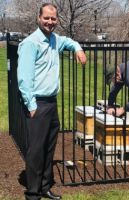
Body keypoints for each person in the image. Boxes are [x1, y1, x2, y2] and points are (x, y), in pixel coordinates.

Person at [17, 3, 86, 200]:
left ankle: (45, 187)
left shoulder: (55, 39)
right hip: (37, 103)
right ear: (38, 18)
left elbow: (70, 42)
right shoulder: (31, 43)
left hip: (51, 102)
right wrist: (31, 106)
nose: (50, 22)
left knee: (49, 147)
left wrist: (78, 49)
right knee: (36, 151)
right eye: (46, 18)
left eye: (53, 19)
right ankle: (33, 193)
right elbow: (24, 78)